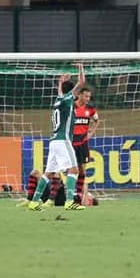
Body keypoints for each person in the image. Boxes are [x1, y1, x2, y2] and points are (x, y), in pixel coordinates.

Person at [28, 63, 86, 211]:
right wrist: (81, 68)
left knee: (48, 173)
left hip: (54, 141)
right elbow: (82, 83)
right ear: (74, 93)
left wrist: (60, 83)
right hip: (63, 140)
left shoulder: (58, 101)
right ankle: (69, 201)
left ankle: (34, 202)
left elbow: (61, 93)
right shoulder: (68, 100)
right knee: (74, 170)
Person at [72, 87, 100, 204]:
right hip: (71, 142)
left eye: (89, 97)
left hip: (83, 143)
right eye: (85, 96)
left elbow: (97, 120)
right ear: (79, 95)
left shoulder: (90, 109)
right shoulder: (71, 107)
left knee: (82, 170)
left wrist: (91, 132)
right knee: (70, 169)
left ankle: (77, 194)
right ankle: (62, 194)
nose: (87, 99)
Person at [17, 169, 98, 208]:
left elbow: (84, 203)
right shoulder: (78, 193)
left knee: (56, 174)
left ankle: (51, 200)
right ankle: (30, 199)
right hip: (54, 194)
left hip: (61, 200)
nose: (91, 195)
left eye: (91, 196)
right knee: (35, 173)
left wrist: (86, 193)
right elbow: (83, 184)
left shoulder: (86, 201)